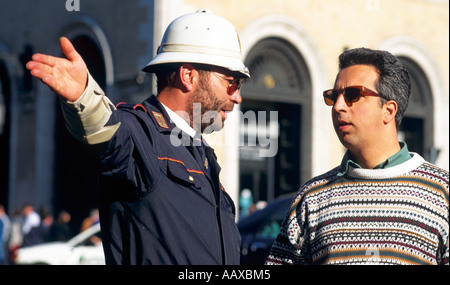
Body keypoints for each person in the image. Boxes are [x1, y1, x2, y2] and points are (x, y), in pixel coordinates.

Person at [26, 9, 249, 265]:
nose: (237, 97)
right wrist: (84, 96)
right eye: (232, 82)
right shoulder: (139, 132)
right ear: (188, 76)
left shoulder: (201, 152)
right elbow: (109, 133)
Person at [266, 48, 449, 265]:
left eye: (353, 95)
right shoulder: (311, 198)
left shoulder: (442, 193)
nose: (338, 106)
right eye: (334, 96)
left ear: (388, 111)